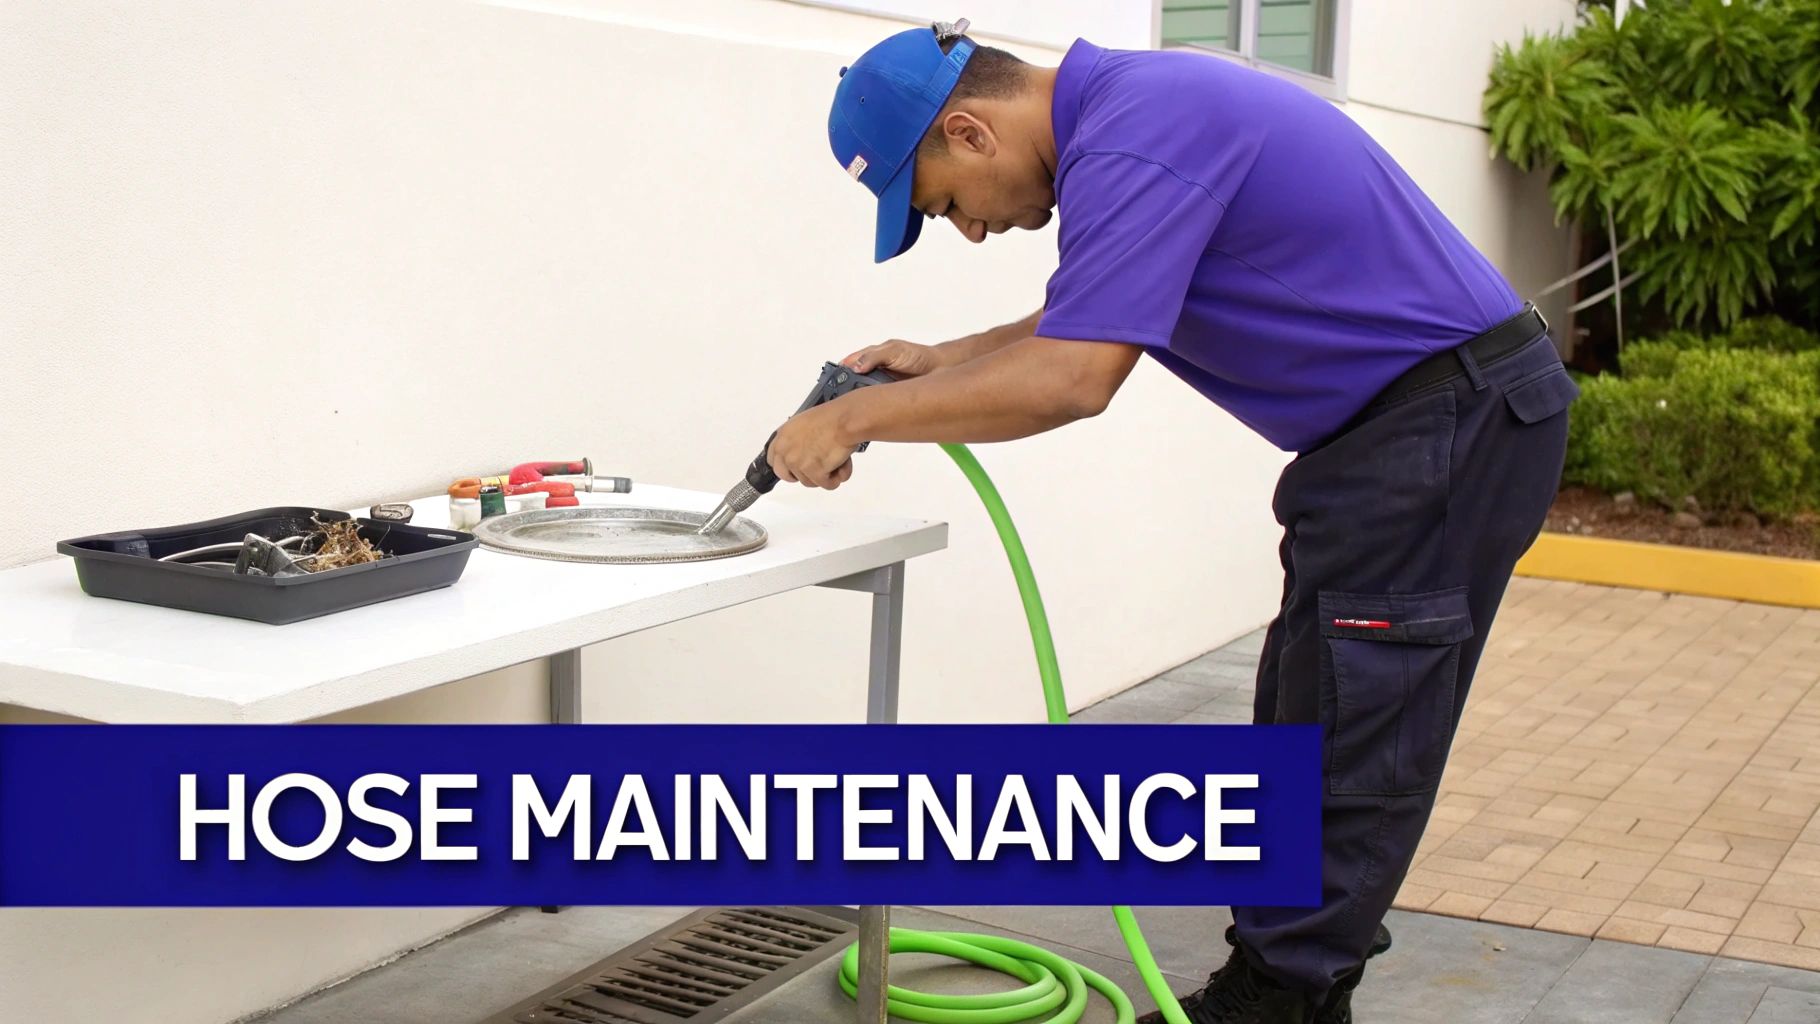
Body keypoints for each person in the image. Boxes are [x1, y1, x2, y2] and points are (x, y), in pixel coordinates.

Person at [772, 20, 1578, 1024]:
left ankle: (1276, 1000)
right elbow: (1094, 303)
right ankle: (1293, 992)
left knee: (1353, 729)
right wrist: (946, 359)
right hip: (1400, 436)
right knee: (1307, 715)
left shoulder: (1140, 129)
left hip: (1439, 427)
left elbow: (1073, 375)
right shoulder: (1132, 119)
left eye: (943, 207)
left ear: (970, 132)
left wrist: (851, 417)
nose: (968, 229)